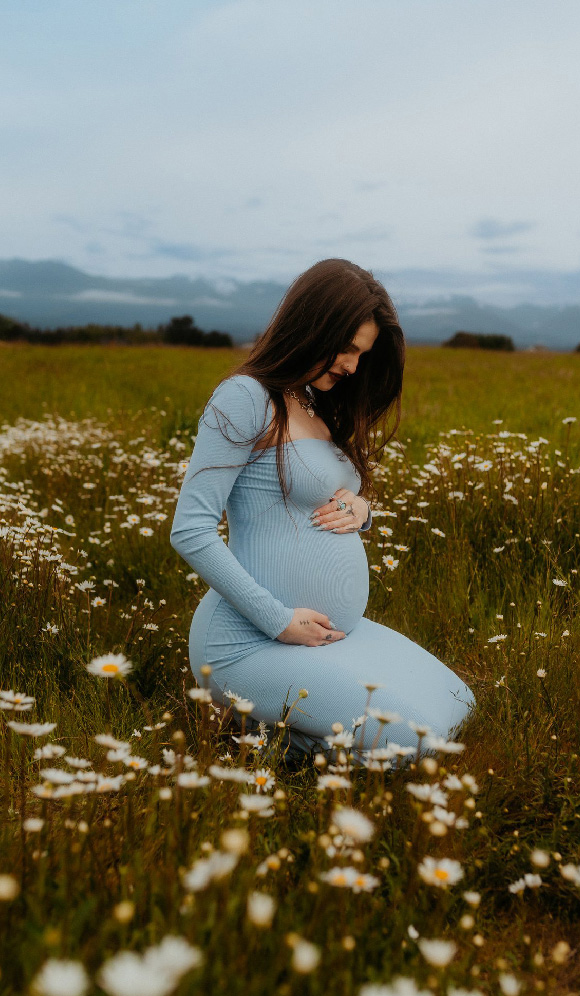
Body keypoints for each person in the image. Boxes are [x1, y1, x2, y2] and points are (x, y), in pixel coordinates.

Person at [170, 258, 475, 763]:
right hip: (250, 642)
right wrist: (278, 620)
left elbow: (329, 492)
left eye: (363, 353)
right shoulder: (246, 397)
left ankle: (270, 726)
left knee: (458, 700)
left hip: (330, 634)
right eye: (348, 348)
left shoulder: (312, 401)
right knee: (417, 743)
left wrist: (362, 509)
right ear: (312, 326)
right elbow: (191, 531)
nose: (354, 366)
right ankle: (262, 735)